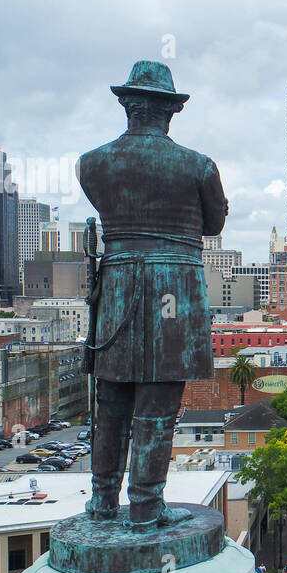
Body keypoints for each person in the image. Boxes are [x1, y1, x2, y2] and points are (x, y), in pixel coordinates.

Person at [77, 60, 228, 530]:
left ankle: (103, 502)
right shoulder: (198, 166)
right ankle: (144, 506)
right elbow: (215, 223)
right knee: (158, 408)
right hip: (173, 289)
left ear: (128, 106)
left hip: (118, 284)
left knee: (112, 403)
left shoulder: (92, 163)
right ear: (169, 110)